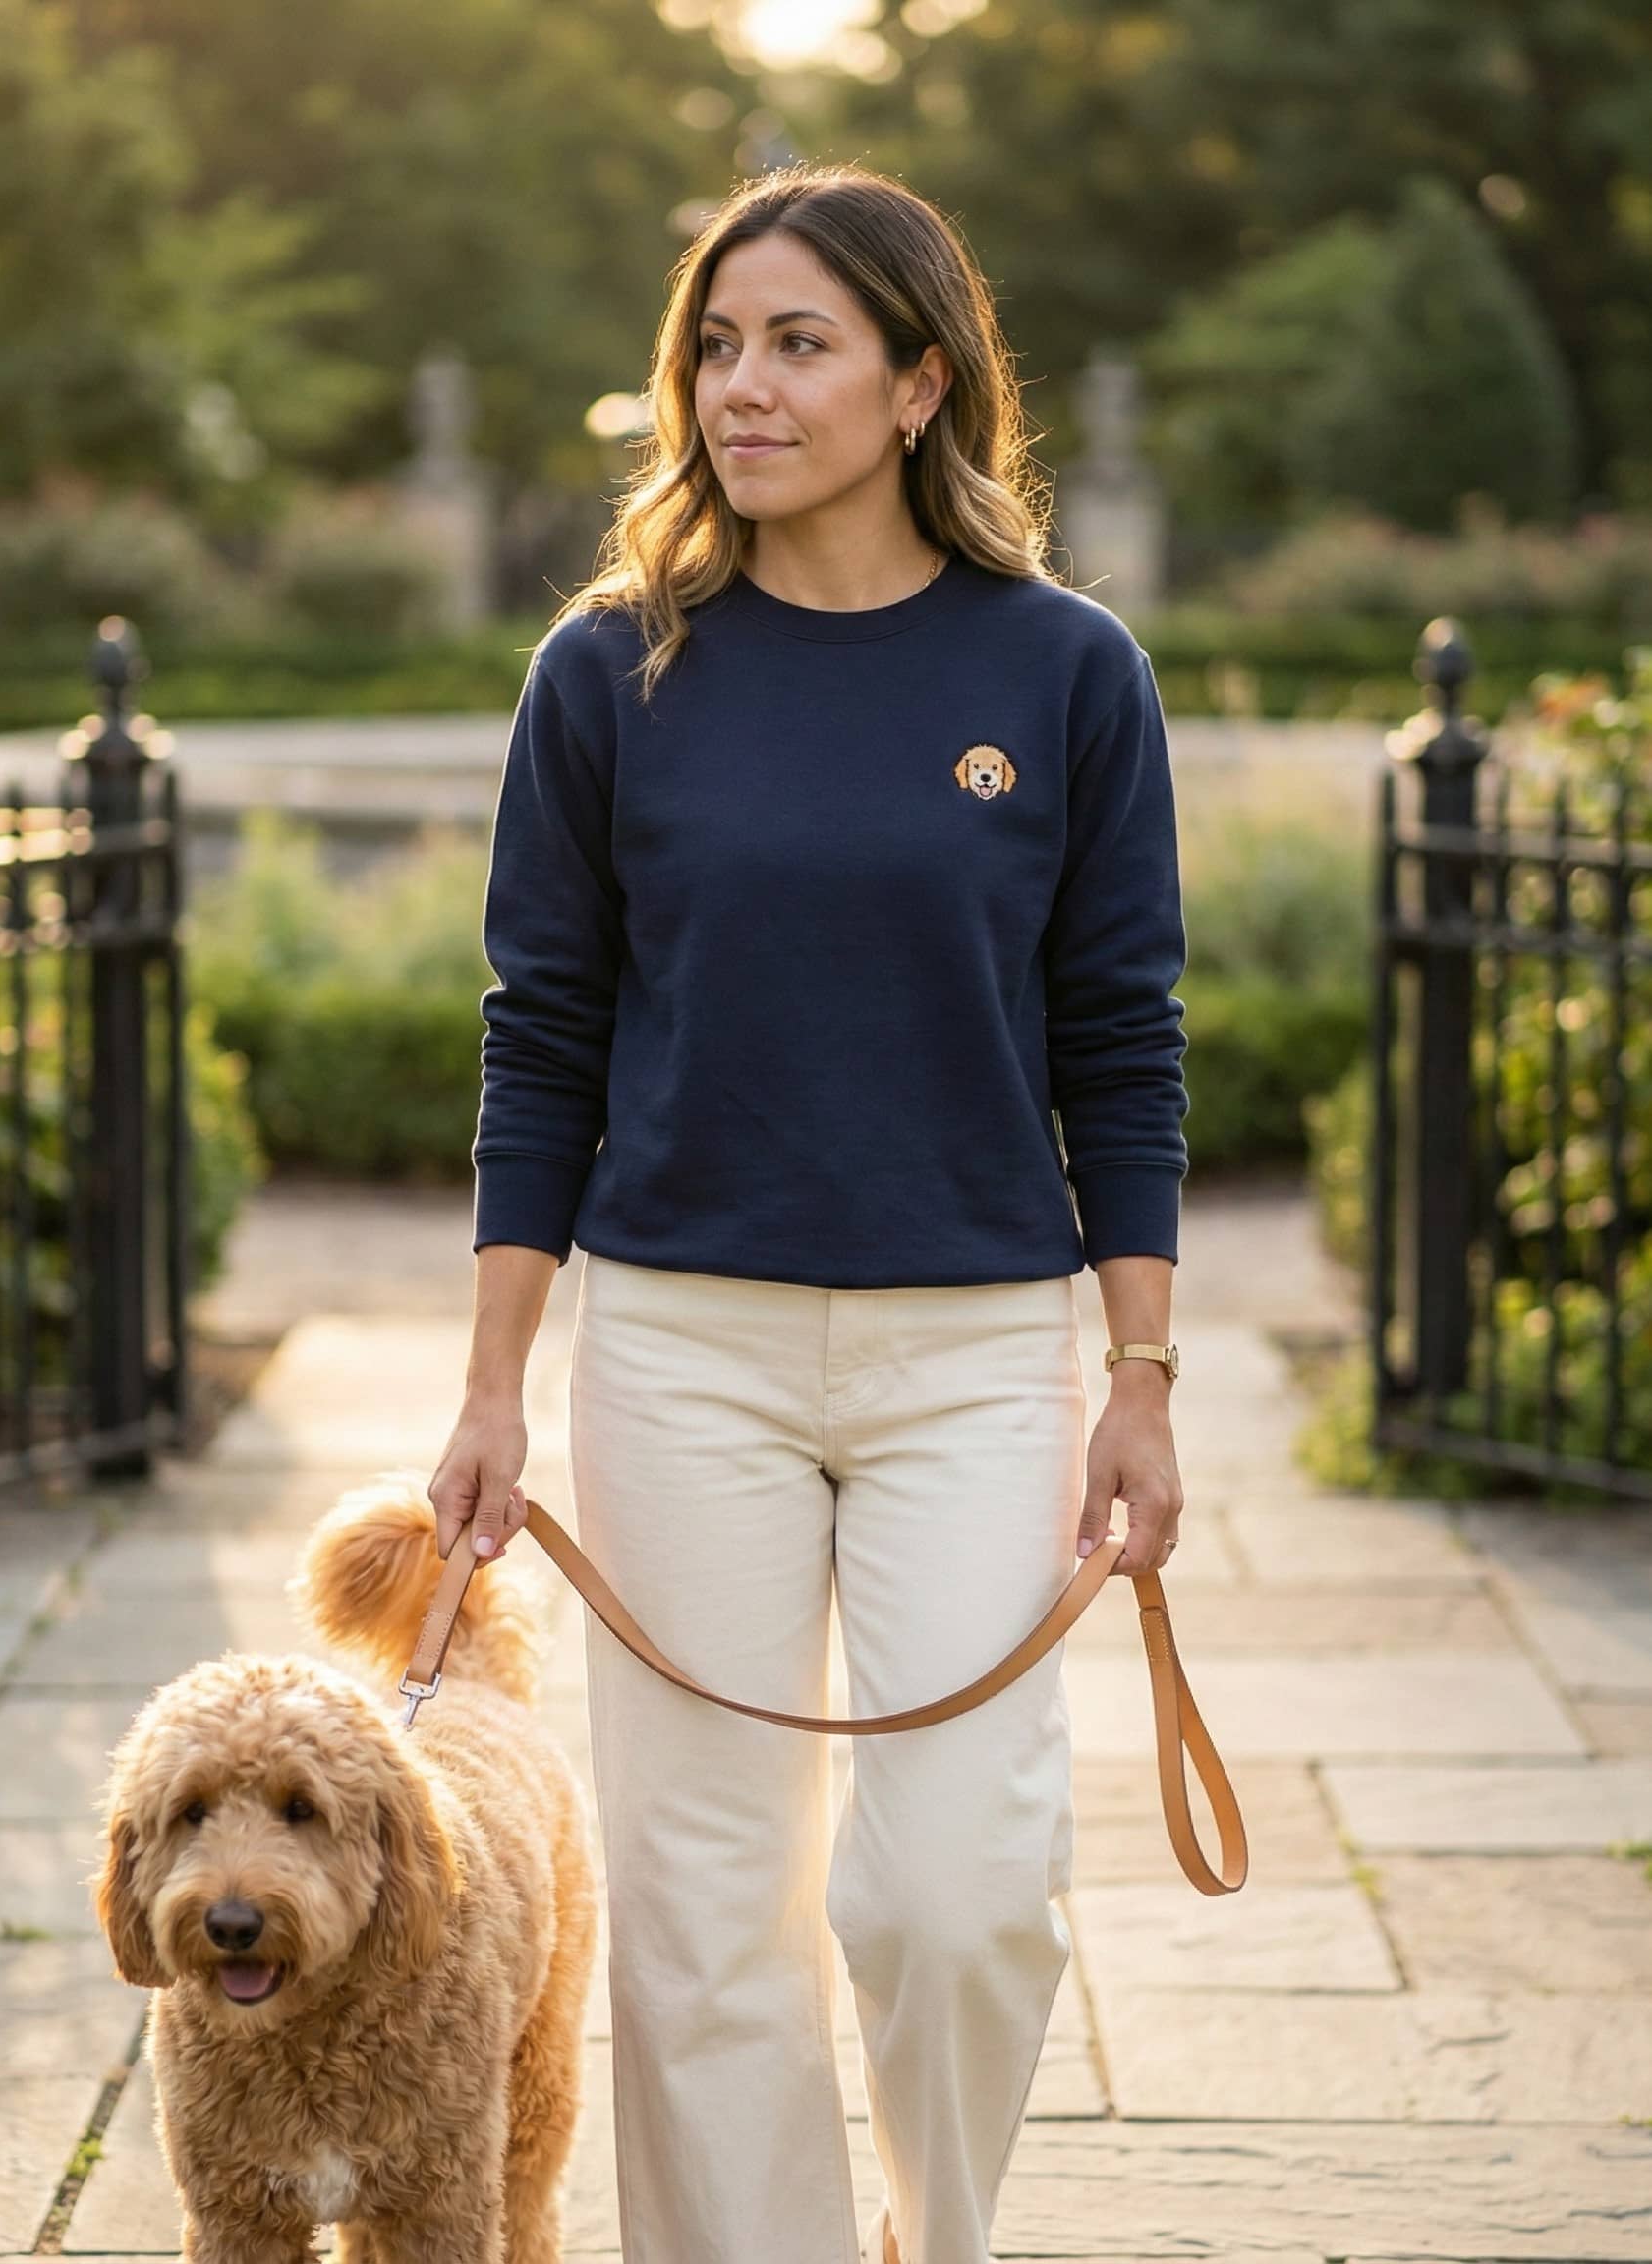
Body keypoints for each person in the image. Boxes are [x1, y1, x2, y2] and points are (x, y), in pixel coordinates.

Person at [429, 160, 1188, 2264]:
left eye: (797, 342)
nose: (736, 386)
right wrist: (494, 1383)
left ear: (919, 382)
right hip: (681, 1353)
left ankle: (930, 2241)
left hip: (973, 1357)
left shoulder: (1063, 671)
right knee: (697, 1919)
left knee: (961, 1893)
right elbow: (541, 1033)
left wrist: (1140, 1373)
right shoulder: (608, 672)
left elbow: (1121, 1038)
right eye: (714, 341)